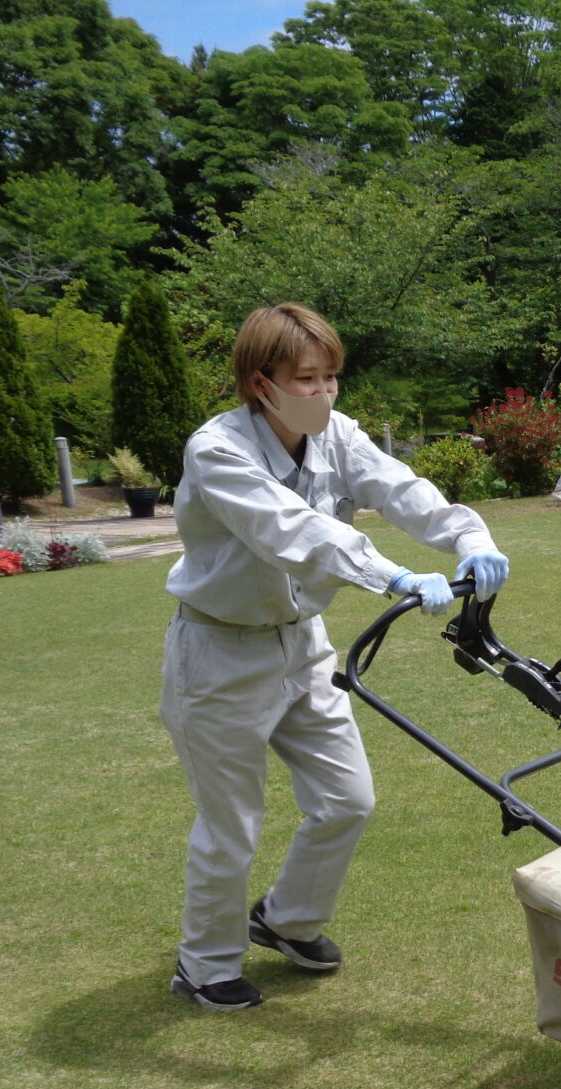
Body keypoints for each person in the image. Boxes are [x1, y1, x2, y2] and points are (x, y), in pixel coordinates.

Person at [161, 302, 510, 1011]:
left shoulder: (336, 435)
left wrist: (468, 536)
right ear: (261, 384)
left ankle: (287, 920)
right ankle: (204, 965)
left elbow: (400, 487)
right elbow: (292, 530)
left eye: (331, 377)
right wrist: (394, 574)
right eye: (307, 379)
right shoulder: (217, 451)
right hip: (220, 653)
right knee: (232, 826)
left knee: (347, 799)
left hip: (303, 646)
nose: (323, 393)